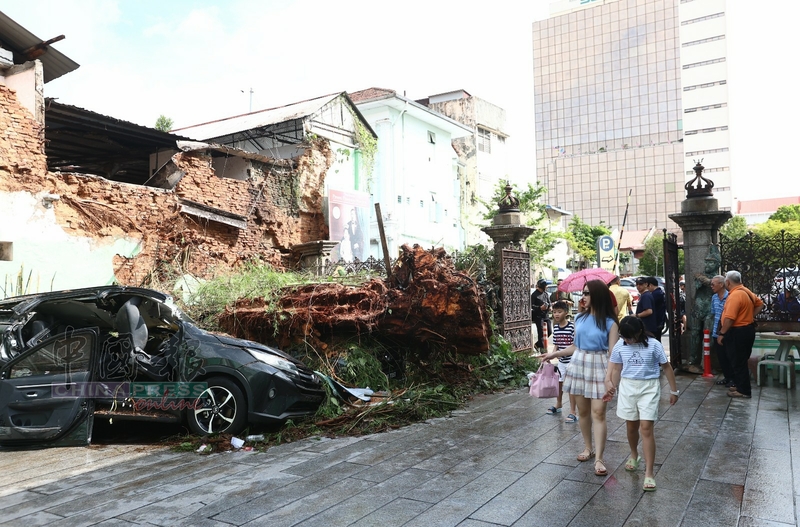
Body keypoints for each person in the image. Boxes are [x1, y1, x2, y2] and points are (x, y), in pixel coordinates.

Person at [540, 279, 619, 477]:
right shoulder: (581, 319)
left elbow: (614, 354)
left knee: (598, 413)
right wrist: (553, 354)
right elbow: (575, 346)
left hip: (600, 365)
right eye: (583, 293)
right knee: (583, 413)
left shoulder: (610, 323)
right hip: (579, 364)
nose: (582, 297)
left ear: (597, 296)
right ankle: (588, 448)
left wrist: (611, 380)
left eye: (587, 293)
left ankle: (599, 457)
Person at [603, 316, 679, 492]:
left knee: (646, 428)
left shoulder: (653, 345)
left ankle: (649, 473)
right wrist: (611, 386)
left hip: (649, 387)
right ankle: (634, 454)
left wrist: (674, 391)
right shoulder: (620, 346)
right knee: (631, 427)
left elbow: (666, 367)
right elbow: (615, 368)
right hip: (628, 386)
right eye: (624, 338)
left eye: (630, 338)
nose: (627, 341)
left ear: (639, 332)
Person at [717, 270, 764, 399]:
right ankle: (739, 385)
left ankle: (743, 390)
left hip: (738, 331)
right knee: (740, 360)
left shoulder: (735, 295)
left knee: (738, 361)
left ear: (727, 282)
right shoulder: (746, 291)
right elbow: (760, 304)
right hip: (747, 329)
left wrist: (722, 333)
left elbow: (730, 318)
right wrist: (750, 316)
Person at [545, 301, 578, 423]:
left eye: (559, 312)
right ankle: (558, 404)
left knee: (570, 386)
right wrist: (551, 355)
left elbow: (576, 345)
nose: (556, 314)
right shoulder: (556, 328)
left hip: (572, 361)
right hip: (561, 362)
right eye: (554, 312)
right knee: (559, 383)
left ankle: (573, 411)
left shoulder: (572, 327)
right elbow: (556, 345)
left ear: (566, 313)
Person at [710, 275, 732, 387]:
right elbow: (713, 313)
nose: (711, 286)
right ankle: (727, 377)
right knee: (721, 357)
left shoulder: (730, 297)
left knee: (730, 356)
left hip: (727, 332)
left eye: (713, 284)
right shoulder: (714, 297)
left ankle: (733, 379)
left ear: (721, 284)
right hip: (716, 331)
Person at [531, 279, 551, 351]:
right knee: (541, 334)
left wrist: (550, 307)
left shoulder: (545, 294)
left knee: (549, 331)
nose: (547, 287)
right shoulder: (534, 295)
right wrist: (540, 308)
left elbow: (549, 302)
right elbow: (531, 306)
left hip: (546, 315)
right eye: (546, 286)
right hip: (538, 316)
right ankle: (543, 351)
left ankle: (537, 344)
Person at [647, 277, 666, 342]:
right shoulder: (659, 292)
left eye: (647, 286)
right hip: (659, 320)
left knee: (655, 340)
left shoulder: (656, 294)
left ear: (651, 285)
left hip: (657, 321)